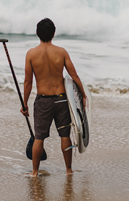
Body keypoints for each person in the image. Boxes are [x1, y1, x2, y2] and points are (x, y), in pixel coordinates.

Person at [21, 18, 87, 177]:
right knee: (64, 135)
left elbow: (28, 81)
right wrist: (83, 95)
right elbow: (74, 76)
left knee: (39, 138)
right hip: (62, 99)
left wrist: (25, 104)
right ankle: (69, 170)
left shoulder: (31, 54)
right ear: (54, 33)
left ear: (37, 33)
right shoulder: (61, 52)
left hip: (43, 101)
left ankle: (35, 172)